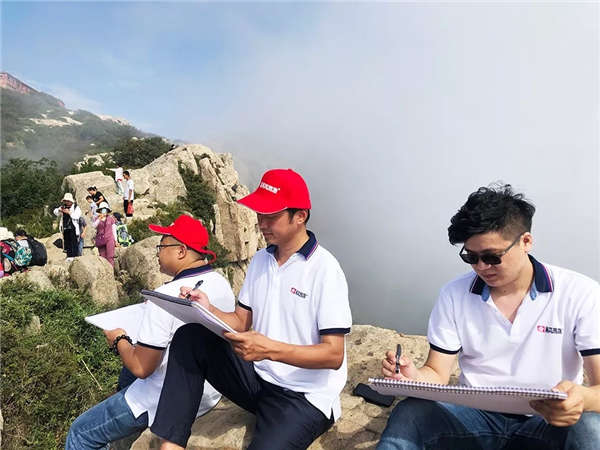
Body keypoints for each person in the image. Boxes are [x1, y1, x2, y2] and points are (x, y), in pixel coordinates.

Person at [377, 184, 600, 450]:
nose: (482, 267)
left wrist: (581, 399)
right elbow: (437, 372)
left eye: (492, 257)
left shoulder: (580, 293)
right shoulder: (454, 294)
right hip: (473, 419)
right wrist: (411, 376)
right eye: (471, 257)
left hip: (547, 420)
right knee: (411, 413)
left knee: (591, 425)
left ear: (526, 242)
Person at [150, 169, 352, 450]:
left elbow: (333, 354)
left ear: (300, 216)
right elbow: (241, 322)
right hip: (259, 379)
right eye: (259, 214)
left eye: (271, 216)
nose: (261, 223)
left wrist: (268, 349)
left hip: (303, 397)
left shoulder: (325, 270)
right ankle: (171, 445)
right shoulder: (261, 260)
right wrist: (207, 308)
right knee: (190, 337)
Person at [65, 215, 235, 450]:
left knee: (80, 432)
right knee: (126, 377)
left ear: (181, 251)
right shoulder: (220, 281)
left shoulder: (165, 296)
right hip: (210, 391)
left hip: (164, 398)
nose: (157, 253)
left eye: (162, 246)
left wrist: (119, 339)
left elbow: (141, 368)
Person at [53, 193, 82, 259]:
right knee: (67, 243)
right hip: (65, 228)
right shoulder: (63, 207)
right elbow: (55, 212)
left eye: (67, 201)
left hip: (73, 228)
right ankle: (69, 256)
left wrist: (69, 212)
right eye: (65, 201)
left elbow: (76, 216)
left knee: (74, 244)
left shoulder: (76, 207)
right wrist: (60, 210)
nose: (66, 202)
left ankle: (75, 257)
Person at [93, 202, 117, 266]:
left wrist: (116, 240)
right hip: (101, 239)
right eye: (102, 210)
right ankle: (105, 271)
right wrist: (99, 218)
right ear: (100, 210)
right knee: (102, 257)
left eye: (105, 210)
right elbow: (94, 226)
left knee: (110, 256)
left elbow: (114, 230)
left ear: (107, 210)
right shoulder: (97, 218)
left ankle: (111, 270)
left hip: (110, 239)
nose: (104, 211)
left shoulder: (111, 218)